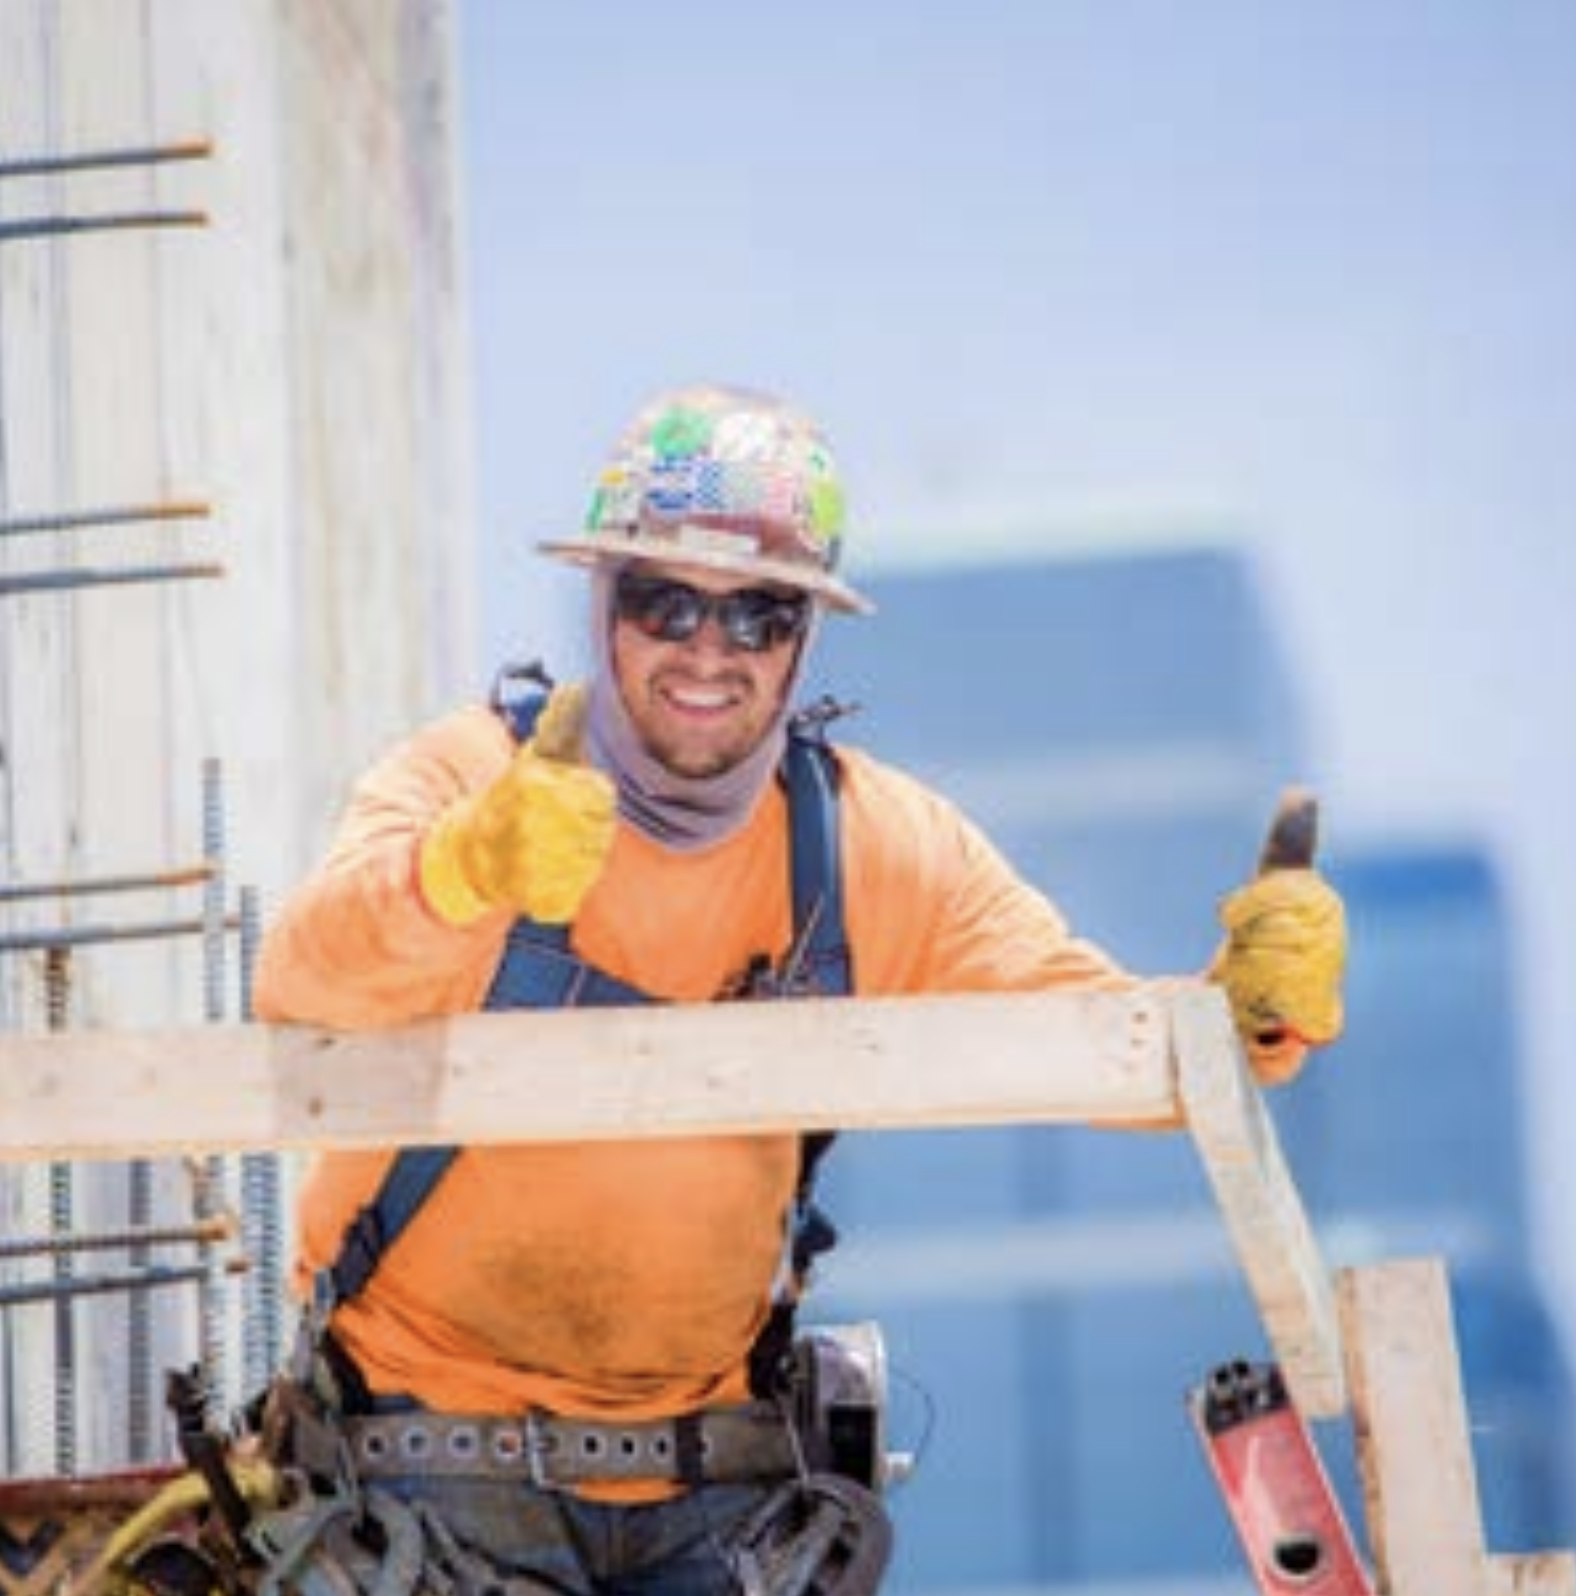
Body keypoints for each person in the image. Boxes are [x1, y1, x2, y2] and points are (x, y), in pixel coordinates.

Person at [246, 382, 1346, 1596]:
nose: (707, 652)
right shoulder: (470, 782)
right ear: (606, 609)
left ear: (803, 639)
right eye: (667, 603)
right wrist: (461, 870)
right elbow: (303, 983)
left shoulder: (863, 849)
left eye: (756, 616)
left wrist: (1238, 1016)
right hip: (428, 1475)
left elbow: (1085, 1030)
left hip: (715, 1503)